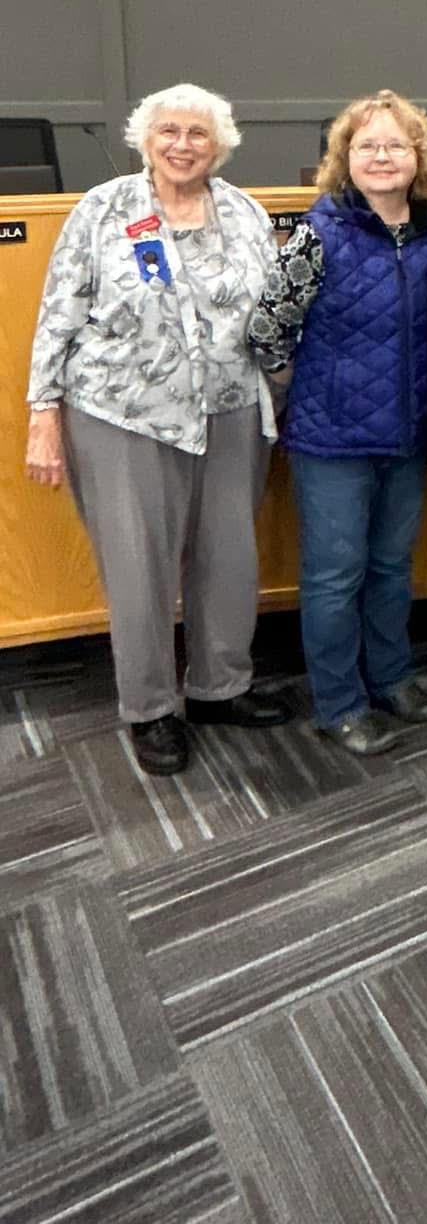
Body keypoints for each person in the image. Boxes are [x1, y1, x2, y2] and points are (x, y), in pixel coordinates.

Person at [24, 84, 289, 775]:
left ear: (219, 145)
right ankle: (149, 710)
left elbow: (273, 316)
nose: (182, 144)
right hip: (123, 414)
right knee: (139, 570)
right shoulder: (103, 210)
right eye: (168, 131)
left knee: (228, 559)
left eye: (198, 134)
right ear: (145, 138)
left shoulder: (246, 212)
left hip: (230, 409)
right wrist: (42, 415)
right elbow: (58, 313)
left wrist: (282, 394)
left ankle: (218, 688)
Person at [249, 91, 427, 756]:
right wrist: (303, 391)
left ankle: (391, 678)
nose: (383, 157)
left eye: (397, 145)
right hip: (330, 439)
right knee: (336, 575)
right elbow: (267, 329)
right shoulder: (320, 231)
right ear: (345, 159)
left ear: (418, 156)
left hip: (408, 432)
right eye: (368, 146)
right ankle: (339, 703)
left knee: (392, 567)